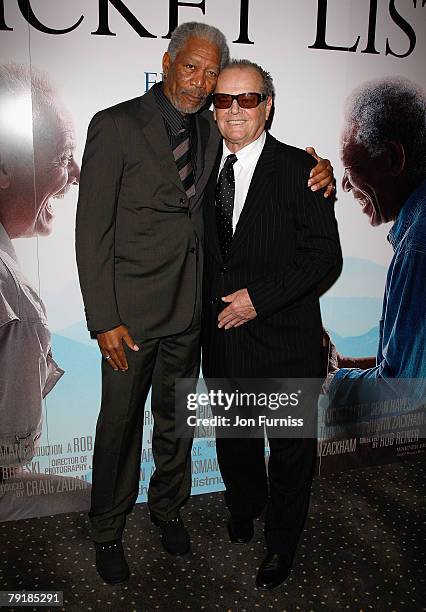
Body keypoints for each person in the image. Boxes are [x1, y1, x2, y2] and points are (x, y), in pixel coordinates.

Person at [75, 22, 335, 585]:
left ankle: (168, 510)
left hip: (194, 318)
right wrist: (104, 319)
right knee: (119, 424)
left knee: (177, 425)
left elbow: (279, 187)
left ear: (263, 106)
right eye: (191, 67)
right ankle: (107, 529)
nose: (201, 83)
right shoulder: (116, 125)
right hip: (131, 319)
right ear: (167, 62)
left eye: (211, 73)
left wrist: (320, 169)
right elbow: (91, 230)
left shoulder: (218, 133)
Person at [201, 59, 342, 590]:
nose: (234, 109)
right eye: (224, 99)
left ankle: (281, 545)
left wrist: (258, 300)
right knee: (235, 441)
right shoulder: (200, 166)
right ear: (214, 110)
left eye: (248, 98)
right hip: (222, 339)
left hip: (284, 341)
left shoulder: (299, 170)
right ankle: (244, 505)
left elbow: (323, 256)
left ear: (268, 106)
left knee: (288, 455)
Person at [0, 63, 84, 520]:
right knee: (90, 505)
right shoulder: (7, 285)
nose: (75, 174)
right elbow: (14, 448)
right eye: (63, 155)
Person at [325, 77, 426, 406]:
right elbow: (404, 369)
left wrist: (325, 380)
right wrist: (339, 367)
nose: (344, 185)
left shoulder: (417, 246)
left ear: (393, 159)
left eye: (349, 166)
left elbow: (401, 395)